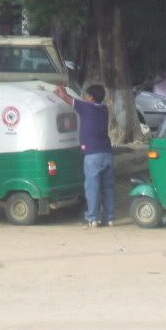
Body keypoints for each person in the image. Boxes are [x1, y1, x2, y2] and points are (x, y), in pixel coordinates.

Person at [55, 84, 114, 228]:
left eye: (87, 96)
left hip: (93, 155)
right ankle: (110, 218)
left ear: (91, 97)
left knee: (92, 187)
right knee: (107, 187)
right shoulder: (104, 109)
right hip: (107, 153)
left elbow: (65, 97)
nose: (85, 98)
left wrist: (60, 89)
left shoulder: (86, 107)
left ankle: (93, 218)